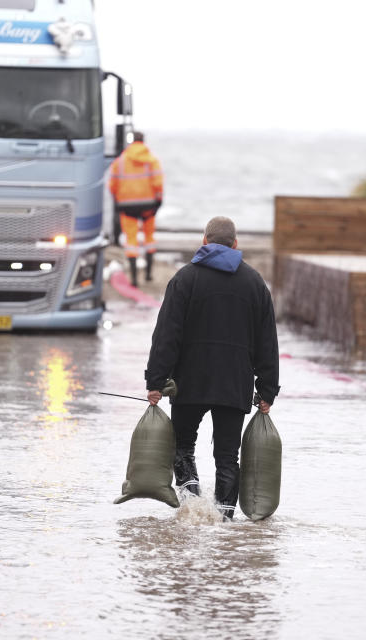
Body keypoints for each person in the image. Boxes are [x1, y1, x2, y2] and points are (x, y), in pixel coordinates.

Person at [145, 216, 280, 520]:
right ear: (235, 244)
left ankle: (193, 507)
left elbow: (166, 336)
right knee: (228, 458)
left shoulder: (185, 279)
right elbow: (267, 343)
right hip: (235, 385)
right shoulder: (255, 283)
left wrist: (155, 380)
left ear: (204, 241)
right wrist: (267, 389)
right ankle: (225, 524)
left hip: (189, 383)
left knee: (181, 447)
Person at [108, 131, 163, 286]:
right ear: (143, 141)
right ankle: (148, 275)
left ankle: (133, 279)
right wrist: (158, 202)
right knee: (149, 238)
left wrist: (118, 201)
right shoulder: (152, 161)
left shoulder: (119, 162)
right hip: (148, 206)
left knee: (131, 241)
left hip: (127, 207)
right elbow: (158, 183)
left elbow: (112, 185)